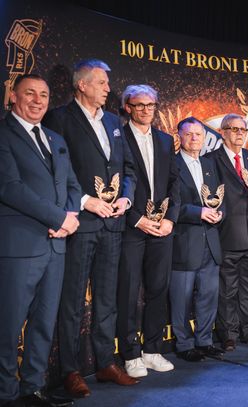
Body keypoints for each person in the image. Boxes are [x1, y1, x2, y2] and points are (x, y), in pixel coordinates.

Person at [43, 59, 138, 398]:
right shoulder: (59, 118)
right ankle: (70, 370)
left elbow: (128, 169)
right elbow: (56, 171)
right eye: (101, 83)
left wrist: (126, 198)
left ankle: (105, 363)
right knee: (72, 301)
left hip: (113, 224)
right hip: (80, 224)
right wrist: (84, 201)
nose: (108, 89)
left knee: (106, 299)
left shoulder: (113, 121)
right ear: (82, 85)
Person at [0, 74, 81, 407]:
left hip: (55, 246)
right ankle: (5, 394)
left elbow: (72, 185)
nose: (37, 101)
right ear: (13, 96)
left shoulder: (54, 138)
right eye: (30, 93)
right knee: (8, 325)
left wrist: (69, 219)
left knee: (44, 322)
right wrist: (58, 218)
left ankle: (33, 387)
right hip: (19, 247)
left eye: (44, 95)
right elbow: (9, 187)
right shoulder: (3, 134)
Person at [116, 85, 180, 377]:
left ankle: (152, 350)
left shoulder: (165, 140)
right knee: (128, 292)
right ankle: (130, 355)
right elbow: (115, 181)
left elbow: (175, 183)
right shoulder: (118, 137)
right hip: (132, 226)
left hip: (162, 228)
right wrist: (136, 218)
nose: (145, 110)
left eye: (150, 105)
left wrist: (171, 220)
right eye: (139, 105)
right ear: (128, 107)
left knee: (158, 289)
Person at [206, 114, 248, 352]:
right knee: (227, 290)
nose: (239, 134)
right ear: (222, 132)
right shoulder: (211, 160)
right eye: (233, 129)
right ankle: (228, 335)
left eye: (242, 130)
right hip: (228, 234)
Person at [171, 117, 224, 362]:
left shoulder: (210, 164)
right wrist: (198, 212)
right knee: (180, 298)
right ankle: (183, 344)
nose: (194, 138)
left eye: (198, 134)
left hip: (211, 242)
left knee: (208, 296)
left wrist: (219, 213)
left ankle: (205, 341)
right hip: (184, 242)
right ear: (179, 136)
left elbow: (220, 197)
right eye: (189, 134)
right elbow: (169, 205)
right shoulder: (171, 165)